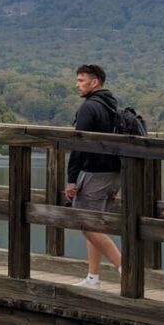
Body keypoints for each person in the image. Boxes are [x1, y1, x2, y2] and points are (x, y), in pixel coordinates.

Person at [64, 64, 122, 289]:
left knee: (86, 223)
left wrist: (71, 178)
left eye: (81, 80)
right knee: (95, 226)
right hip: (113, 174)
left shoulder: (89, 107)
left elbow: (79, 144)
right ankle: (93, 278)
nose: (77, 85)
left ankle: (126, 268)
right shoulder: (111, 104)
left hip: (95, 174)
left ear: (94, 82)